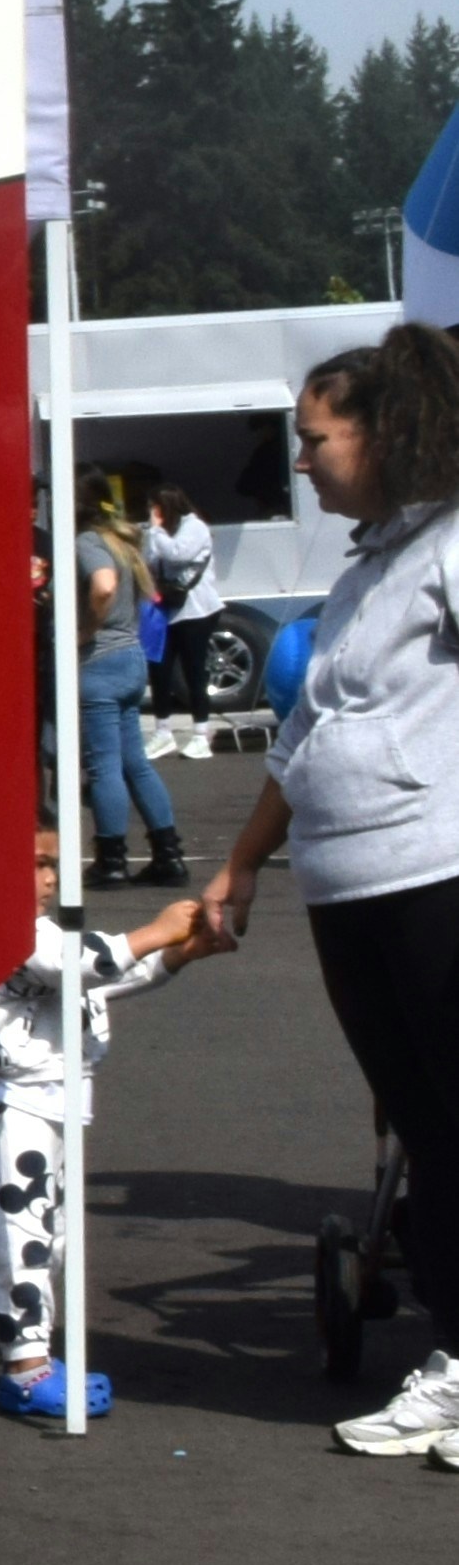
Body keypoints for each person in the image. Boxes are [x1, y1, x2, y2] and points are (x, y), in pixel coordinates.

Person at [202, 324, 459, 1456]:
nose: (298, 460)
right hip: (348, 888)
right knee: (424, 1126)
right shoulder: (365, 571)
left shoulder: (450, 545)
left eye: (314, 439)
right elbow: (303, 735)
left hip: (435, 875)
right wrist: (242, 860)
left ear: (385, 431)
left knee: (453, 1122)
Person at [0, 826, 212, 1420]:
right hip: (9, 1103)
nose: (48, 879)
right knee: (21, 1239)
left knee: (50, 1235)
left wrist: (177, 954)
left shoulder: (43, 934)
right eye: (36, 864)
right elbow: (84, 963)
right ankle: (24, 1368)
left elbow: (101, 982)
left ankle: (36, 1352)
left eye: (54, 866)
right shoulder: (9, 934)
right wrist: (156, 932)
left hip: (49, 1101)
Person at [73, 481, 187, 889]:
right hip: (131, 657)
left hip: (99, 660)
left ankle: (111, 859)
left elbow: (103, 585)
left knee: (104, 765)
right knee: (134, 762)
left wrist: (85, 630)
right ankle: (168, 855)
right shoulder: (122, 543)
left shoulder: (88, 542)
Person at [143, 478, 219, 721]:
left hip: (196, 611)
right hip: (166, 609)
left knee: (193, 671)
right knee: (159, 669)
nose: (150, 513)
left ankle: (201, 729)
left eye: (153, 507)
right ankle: (163, 728)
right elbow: (150, 561)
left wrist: (156, 531)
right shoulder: (159, 533)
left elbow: (178, 554)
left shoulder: (194, 526)